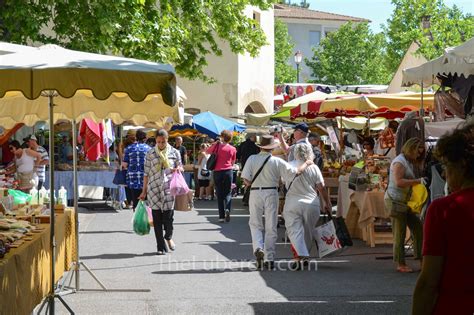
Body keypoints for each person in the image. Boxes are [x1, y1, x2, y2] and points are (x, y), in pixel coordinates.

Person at [412, 123, 474, 315]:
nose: (444, 174)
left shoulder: (444, 209)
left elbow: (429, 280)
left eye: (446, 165)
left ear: (461, 164)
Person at [241, 136, 312, 269]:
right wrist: (307, 163)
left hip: (256, 192)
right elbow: (295, 173)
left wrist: (255, 183)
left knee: (255, 223)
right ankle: (269, 257)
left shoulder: (252, 159)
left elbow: (246, 180)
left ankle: (258, 248)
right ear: (273, 148)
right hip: (271, 192)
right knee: (271, 225)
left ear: (259, 146)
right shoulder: (277, 161)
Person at [283, 143, 332, 270]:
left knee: (294, 231)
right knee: (308, 231)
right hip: (311, 203)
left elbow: (282, 183)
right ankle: (304, 256)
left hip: (292, 203)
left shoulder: (289, 166)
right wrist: (327, 202)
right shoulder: (314, 167)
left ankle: (299, 256)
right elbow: (321, 187)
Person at [384, 137, 425, 273]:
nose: (420, 153)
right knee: (399, 233)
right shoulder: (400, 162)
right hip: (395, 201)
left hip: (404, 202)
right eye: (418, 151)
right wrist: (418, 181)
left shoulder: (408, 161)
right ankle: (400, 263)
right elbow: (398, 182)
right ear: (411, 149)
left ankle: (421, 259)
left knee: (418, 229)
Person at [140, 129, 182, 255]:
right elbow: (146, 173)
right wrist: (144, 191)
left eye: (163, 142)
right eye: (158, 142)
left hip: (169, 187)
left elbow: (181, 167)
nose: (161, 144)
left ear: (167, 140)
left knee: (168, 218)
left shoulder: (175, 152)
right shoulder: (150, 153)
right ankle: (160, 246)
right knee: (157, 219)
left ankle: (168, 236)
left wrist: (178, 168)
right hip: (153, 188)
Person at [206, 130, 236, 223]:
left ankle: (221, 217)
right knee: (228, 193)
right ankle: (227, 208)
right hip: (228, 171)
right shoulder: (233, 148)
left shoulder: (217, 146)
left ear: (222, 137)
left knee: (219, 194)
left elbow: (207, 151)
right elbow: (233, 162)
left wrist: (215, 143)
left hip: (218, 172)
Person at [122, 129, 151, 209]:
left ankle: (137, 219)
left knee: (136, 202)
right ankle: (147, 220)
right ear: (145, 138)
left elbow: (124, 165)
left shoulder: (128, 148)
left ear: (136, 137)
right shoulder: (149, 149)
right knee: (147, 203)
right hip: (147, 179)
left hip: (133, 180)